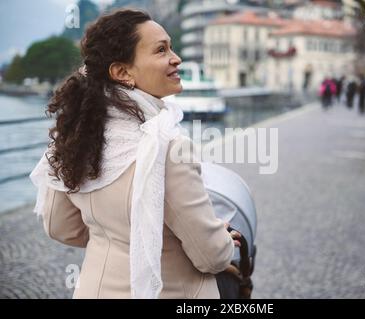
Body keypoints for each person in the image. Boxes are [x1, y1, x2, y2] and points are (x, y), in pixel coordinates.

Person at [29, 10, 240, 299]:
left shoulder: (76, 137)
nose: (176, 58)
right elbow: (211, 256)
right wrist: (224, 239)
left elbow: (59, 226)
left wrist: (114, 240)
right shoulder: (168, 147)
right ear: (122, 72)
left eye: (171, 47)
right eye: (161, 50)